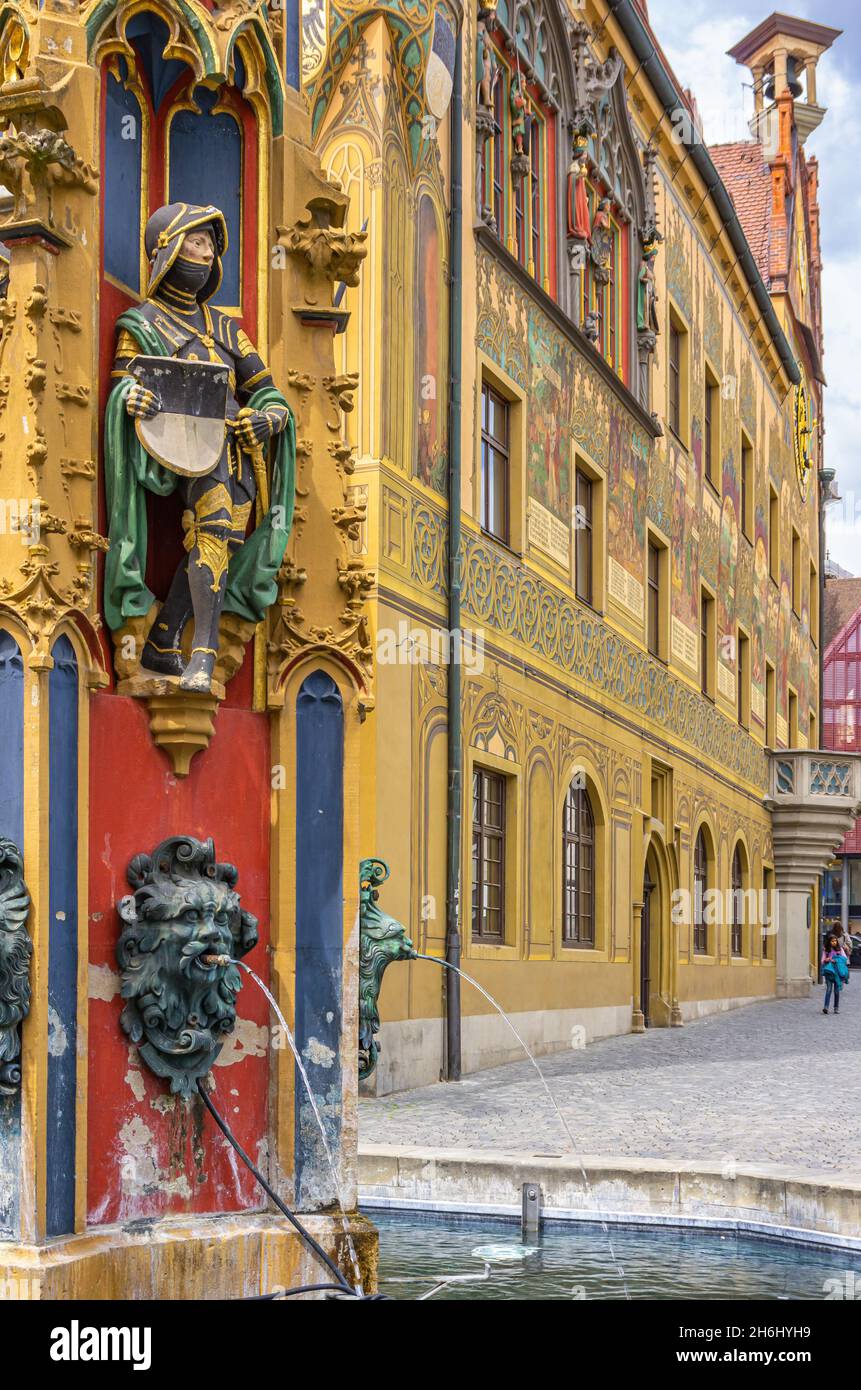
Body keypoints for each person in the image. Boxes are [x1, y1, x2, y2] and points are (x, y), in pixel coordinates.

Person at [822, 931, 849, 1015]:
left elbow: (844, 959)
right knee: (829, 990)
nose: (834, 942)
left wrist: (836, 959)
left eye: (835, 941)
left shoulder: (840, 950)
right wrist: (827, 959)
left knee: (836, 991)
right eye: (832, 941)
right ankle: (826, 1007)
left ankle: (836, 1008)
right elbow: (822, 960)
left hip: (837, 972)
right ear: (829, 942)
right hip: (829, 972)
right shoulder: (826, 950)